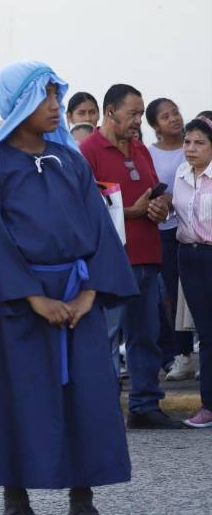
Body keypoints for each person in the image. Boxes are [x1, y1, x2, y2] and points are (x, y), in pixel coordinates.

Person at [0, 61, 136, 515]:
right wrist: (32, 297)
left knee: (86, 399)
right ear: (17, 103)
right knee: (18, 397)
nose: (55, 106)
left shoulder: (71, 161)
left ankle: (82, 504)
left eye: (57, 95)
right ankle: (16, 505)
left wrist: (88, 293)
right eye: (45, 97)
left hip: (77, 297)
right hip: (20, 304)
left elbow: (100, 229)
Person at [80, 85, 184, 429]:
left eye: (141, 114)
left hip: (148, 254)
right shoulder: (89, 150)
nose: (138, 120)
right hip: (112, 259)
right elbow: (85, 206)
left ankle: (144, 405)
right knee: (108, 338)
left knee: (146, 334)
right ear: (111, 112)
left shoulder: (140, 148)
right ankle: (105, 410)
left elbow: (159, 190)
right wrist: (130, 211)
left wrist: (159, 205)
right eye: (133, 113)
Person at [145, 99, 196, 381]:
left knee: (200, 292)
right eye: (165, 116)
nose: (174, 118)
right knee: (174, 297)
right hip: (166, 230)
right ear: (155, 126)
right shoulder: (149, 153)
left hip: (196, 229)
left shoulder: (195, 144)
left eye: (175, 112)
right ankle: (183, 355)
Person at [173, 115, 212, 428]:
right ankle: (208, 406)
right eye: (187, 142)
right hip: (190, 257)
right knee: (206, 335)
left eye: (200, 143)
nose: (191, 148)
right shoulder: (182, 174)